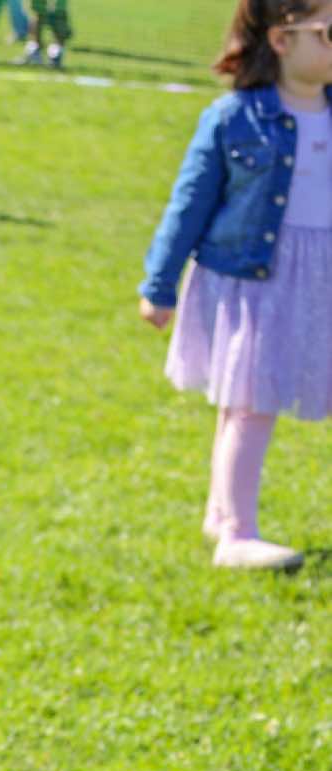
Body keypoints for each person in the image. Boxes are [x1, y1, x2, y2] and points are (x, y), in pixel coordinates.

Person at [139, 0, 332, 570]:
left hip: (317, 283)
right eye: (328, 33)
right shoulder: (233, 118)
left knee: (244, 404)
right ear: (281, 41)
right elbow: (189, 204)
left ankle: (221, 514)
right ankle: (237, 535)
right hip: (255, 285)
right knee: (249, 405)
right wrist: (159, 285)